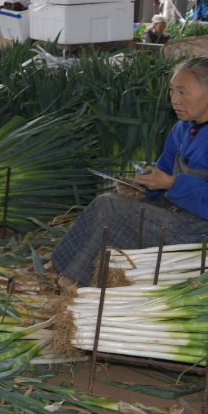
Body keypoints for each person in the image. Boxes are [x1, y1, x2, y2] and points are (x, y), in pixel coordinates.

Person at [52, 57, 208, 286]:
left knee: (111, 208)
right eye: (172, 91)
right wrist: (143, 187)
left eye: (182, 92)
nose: (174, 100)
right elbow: (162, 170)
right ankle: (58, 268)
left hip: (198, 229)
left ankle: (72, 286)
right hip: (174, 212)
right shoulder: (183, 128)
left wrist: (171, 184)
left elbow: (174, 184)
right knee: (105, 201)